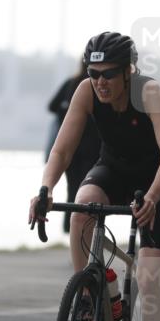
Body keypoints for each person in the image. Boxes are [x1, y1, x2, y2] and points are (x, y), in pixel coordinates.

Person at [28, 32, 160, 321]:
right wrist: (46, 190)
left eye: (109, 74)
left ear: (129, 72)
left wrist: (151, 198)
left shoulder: (149, 93)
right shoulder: (85, 91)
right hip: (114, 169)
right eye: (93, 72)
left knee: (148, 275)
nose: (100, 81)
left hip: (159, 181)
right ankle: (93, 297)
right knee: (83, 207)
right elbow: (62, 149)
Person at [46, 60, 102, 233]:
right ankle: (81, 231)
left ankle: (72, 231)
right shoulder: (92, 86)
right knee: (89, 191)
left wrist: (64, 111)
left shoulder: (72, 83)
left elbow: (52, 106)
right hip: (90, 148)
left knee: (75, 189)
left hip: (77, 149)